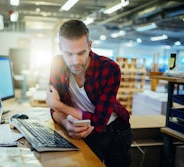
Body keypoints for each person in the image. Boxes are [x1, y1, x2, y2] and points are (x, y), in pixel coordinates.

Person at [46, 20, 132, 167]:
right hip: (83, 128)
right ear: (60, 48)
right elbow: (54, 110)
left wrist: (59, 105)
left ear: (90, 45)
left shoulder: (110, 69)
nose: (75, 61)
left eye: (81, 53)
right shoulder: (57, 64)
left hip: (114, 131)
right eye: (68, 54)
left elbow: (99, 122)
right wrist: (65, 122)